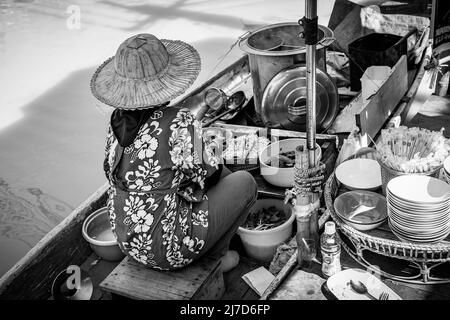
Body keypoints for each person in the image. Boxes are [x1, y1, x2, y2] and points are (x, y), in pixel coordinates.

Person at [90, 33, 257, 272]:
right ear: (165, 83)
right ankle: (217, 258)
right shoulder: (177, 120)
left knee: (214, 177)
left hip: (128, 241)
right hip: (167, 250)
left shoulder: (116, 122)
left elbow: (111, 170)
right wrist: (210, 154)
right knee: (244, 182)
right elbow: (209, 173)